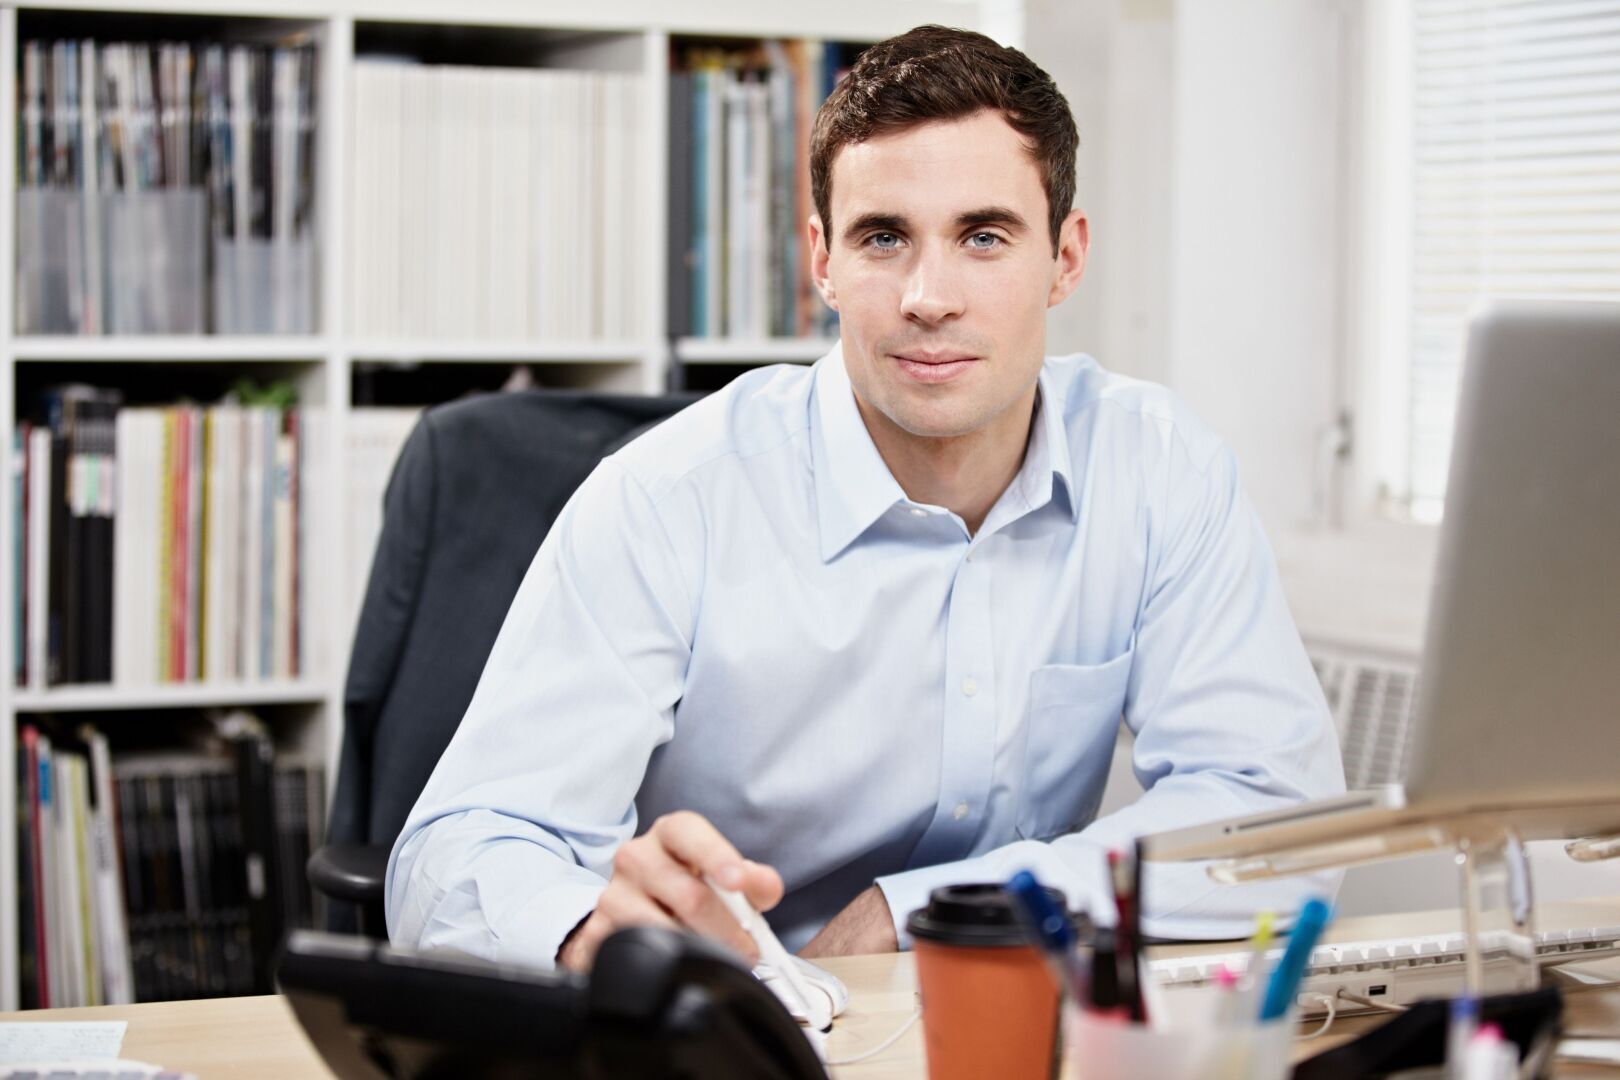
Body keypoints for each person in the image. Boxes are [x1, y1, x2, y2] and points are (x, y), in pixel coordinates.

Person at [386, 25, 1344, 973]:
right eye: (884, 238)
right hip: (744, 1017)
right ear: (823, 261)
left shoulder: (1159, 468)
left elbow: (1279, 822)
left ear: (1066, 258)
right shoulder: (667, 500)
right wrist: (593, 934)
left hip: (1012, 1013)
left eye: (984, 237)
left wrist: (916, 911)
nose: (929, 296)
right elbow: (451, 860)